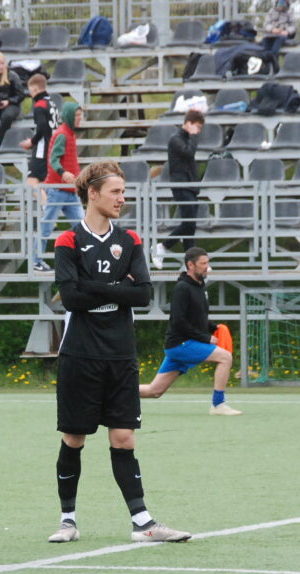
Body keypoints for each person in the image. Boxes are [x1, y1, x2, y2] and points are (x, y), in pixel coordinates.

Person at [48, 160, 191, 545]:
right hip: (80, 355)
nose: (122, 198)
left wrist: (93, 284)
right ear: (93, 194)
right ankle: (67, 521)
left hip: (120, 354)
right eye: (115, 192)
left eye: (123, 192)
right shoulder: (68, 240)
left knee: (124, 438)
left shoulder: (130, 241)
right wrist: (116, 285)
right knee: (74, 438)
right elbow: (71, 298)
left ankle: (143, 523)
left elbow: (142, 295)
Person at [140, 247, 242, 416]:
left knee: (154, 391)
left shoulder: (200, 286)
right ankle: (218, 404)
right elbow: (179, 321)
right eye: (203, 263)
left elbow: (197, 317)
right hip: (180, 345)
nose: (207, 267)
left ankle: (112, 393)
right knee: (225, 357)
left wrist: (214, 327)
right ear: (190, 265)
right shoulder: (182, 288)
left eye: (208, 263)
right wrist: (206, 338)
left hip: (182, 345)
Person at [35, 101, 84, 273]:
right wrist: (63, 172)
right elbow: (53, 159)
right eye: (76, 115)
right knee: (46, 227)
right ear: (69, 116)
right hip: (57, 190)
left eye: (80, 115)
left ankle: (82, 261)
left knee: (83, 227)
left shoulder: (70, 133)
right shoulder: (62, 134)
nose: (79, 118)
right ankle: (35, 261)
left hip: (70, 191)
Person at [153, 110, 204, 269]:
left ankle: (193, 264)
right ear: (188, 123)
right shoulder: (175, 139)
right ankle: (163, 246)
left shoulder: (186, 139)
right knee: (189, 224)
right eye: (197, 127)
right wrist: (194, 136)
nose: (198, 131)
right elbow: (189, 153)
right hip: (181, 186)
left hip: (190, 186)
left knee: (189, 226)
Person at [20, 73, 58, 188]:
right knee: (42, 184)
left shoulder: (40, 105)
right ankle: (46, 200)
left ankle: (46, 202)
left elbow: (41, 128)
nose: (30, 93)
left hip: (42, 149)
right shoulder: (51, 103)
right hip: (51, 145)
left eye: (30, 89)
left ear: (35, 89)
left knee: (31, 183)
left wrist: (32, 142)